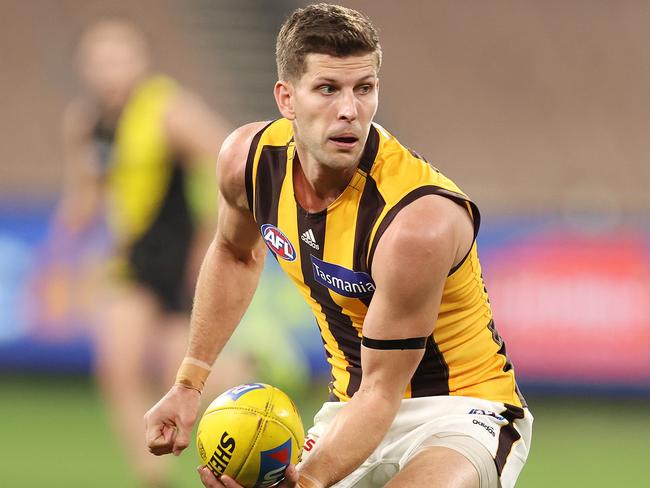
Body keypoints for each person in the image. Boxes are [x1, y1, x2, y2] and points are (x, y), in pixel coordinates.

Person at [144, 4, 533, 488]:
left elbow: (383, 389)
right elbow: (236, 253)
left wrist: (304, 484)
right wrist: (188, 384)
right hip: (351, 405)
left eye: (363, 89)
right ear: (286, 98)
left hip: (457, 411)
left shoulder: (416, 223)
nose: (349, 110)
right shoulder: (248, 162)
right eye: (328, 89)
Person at [55, 18, 251, 488]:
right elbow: (85, 197)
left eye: (119, 57)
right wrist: (59, 257)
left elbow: (232, 157)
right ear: (85, 67)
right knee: (116, 365)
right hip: (134, 262)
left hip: (185, 259)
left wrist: (215, 238)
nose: (110, 69)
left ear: (140, 61)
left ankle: (254, 392)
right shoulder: (87, 124)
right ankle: (152, 474)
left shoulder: (168, 109)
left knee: (193, 374)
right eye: (100, 60)